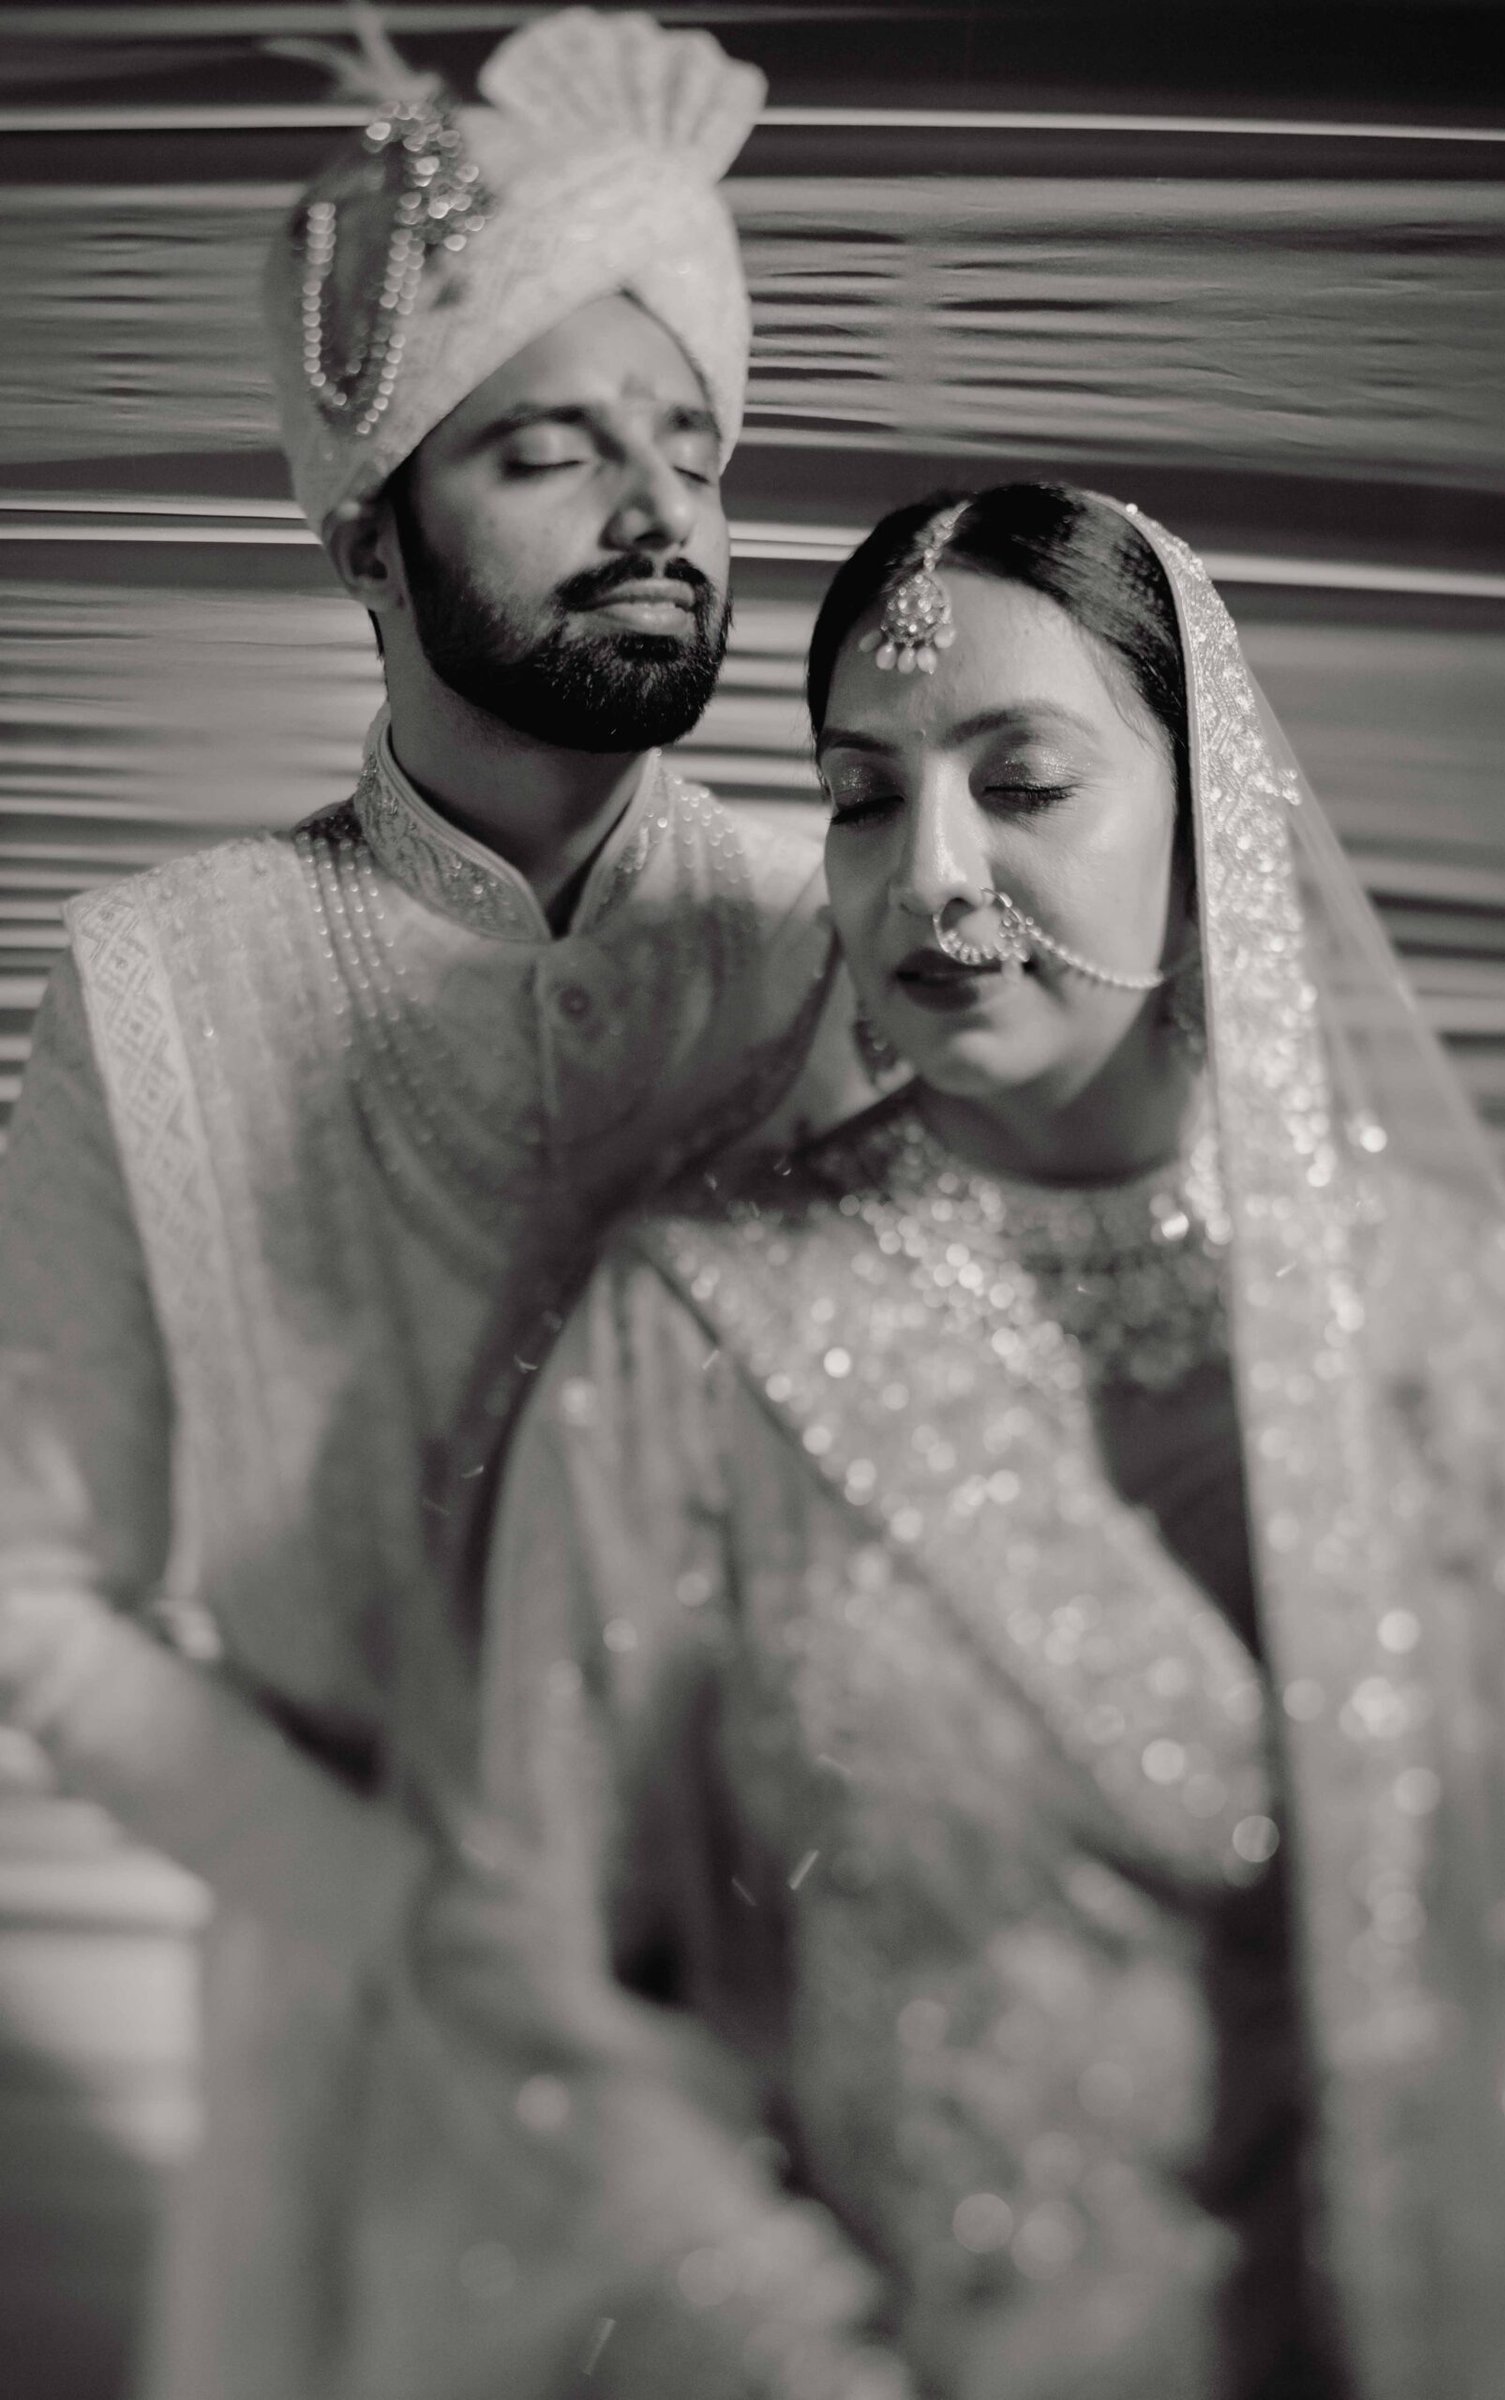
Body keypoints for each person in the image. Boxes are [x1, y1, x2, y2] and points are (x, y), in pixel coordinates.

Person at [348, 482, 1505, 2399]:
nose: (927, 878)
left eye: (1020, 786)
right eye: (862, 797)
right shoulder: (701, 1329)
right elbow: (520, 1967)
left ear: (1208, 813)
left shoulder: (1436, 1325)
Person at [0, 13, 864, 2398]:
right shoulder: (161, 981)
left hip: (802, 2076)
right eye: (551, 448)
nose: (655, 511)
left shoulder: (842, 951)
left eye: (690, 448)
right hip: (369, 2099)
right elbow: (38, 1596)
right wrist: (416, 1931)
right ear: (365, 533)